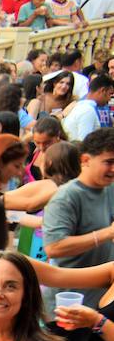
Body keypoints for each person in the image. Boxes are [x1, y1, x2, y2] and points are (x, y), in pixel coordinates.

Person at [42, 128, 114, 308]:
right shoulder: (67, 197)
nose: (113, 169)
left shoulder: (109, 189)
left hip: (100, 305)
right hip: (69, 306)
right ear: (85, 160)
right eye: (109, 162)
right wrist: (107, 234)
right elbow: (54, 247)